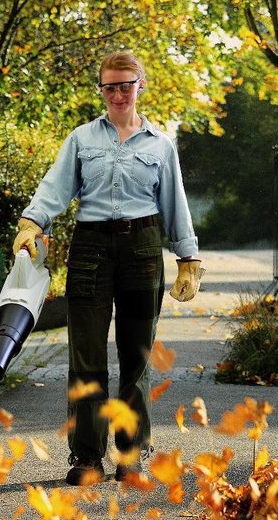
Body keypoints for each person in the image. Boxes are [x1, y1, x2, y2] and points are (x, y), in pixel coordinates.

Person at [13, 50, 202, 486]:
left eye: (125, 85)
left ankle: (131, 455)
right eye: (109, 86)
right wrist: (32, 221)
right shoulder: (82, 139)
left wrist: (188, 259)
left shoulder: (160, 145)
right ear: (101, 90)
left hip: (142, 250)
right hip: (92, 250)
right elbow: (54, 188)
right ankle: (86, 457)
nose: (118, 94)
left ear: (140, 86)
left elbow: (176, 205)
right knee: (86, 357)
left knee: (136, 356)